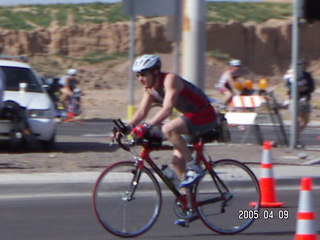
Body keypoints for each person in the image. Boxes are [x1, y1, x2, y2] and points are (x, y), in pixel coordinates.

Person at [126, 54, 217, 188]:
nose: (140, 79)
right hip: (190, 118)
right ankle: (188, 204)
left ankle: (194, 168)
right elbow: (141, 112)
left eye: (143, 74)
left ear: (155, 71)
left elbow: (167, 108)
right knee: (177, 163)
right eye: (138, 75)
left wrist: (146, 125)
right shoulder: (150, 89)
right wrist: (126, 127)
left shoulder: (170, 80)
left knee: (168, 129)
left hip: (205, 115)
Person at [283, 61, 315, 148]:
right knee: (296, 118)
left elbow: (311, 86)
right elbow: (288, 85)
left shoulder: (307, 75)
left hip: (305, 99)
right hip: (294, 99)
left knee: (305, 120)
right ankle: (295, 139)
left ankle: (295, 136)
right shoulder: (290, 75)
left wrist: (305, 88)